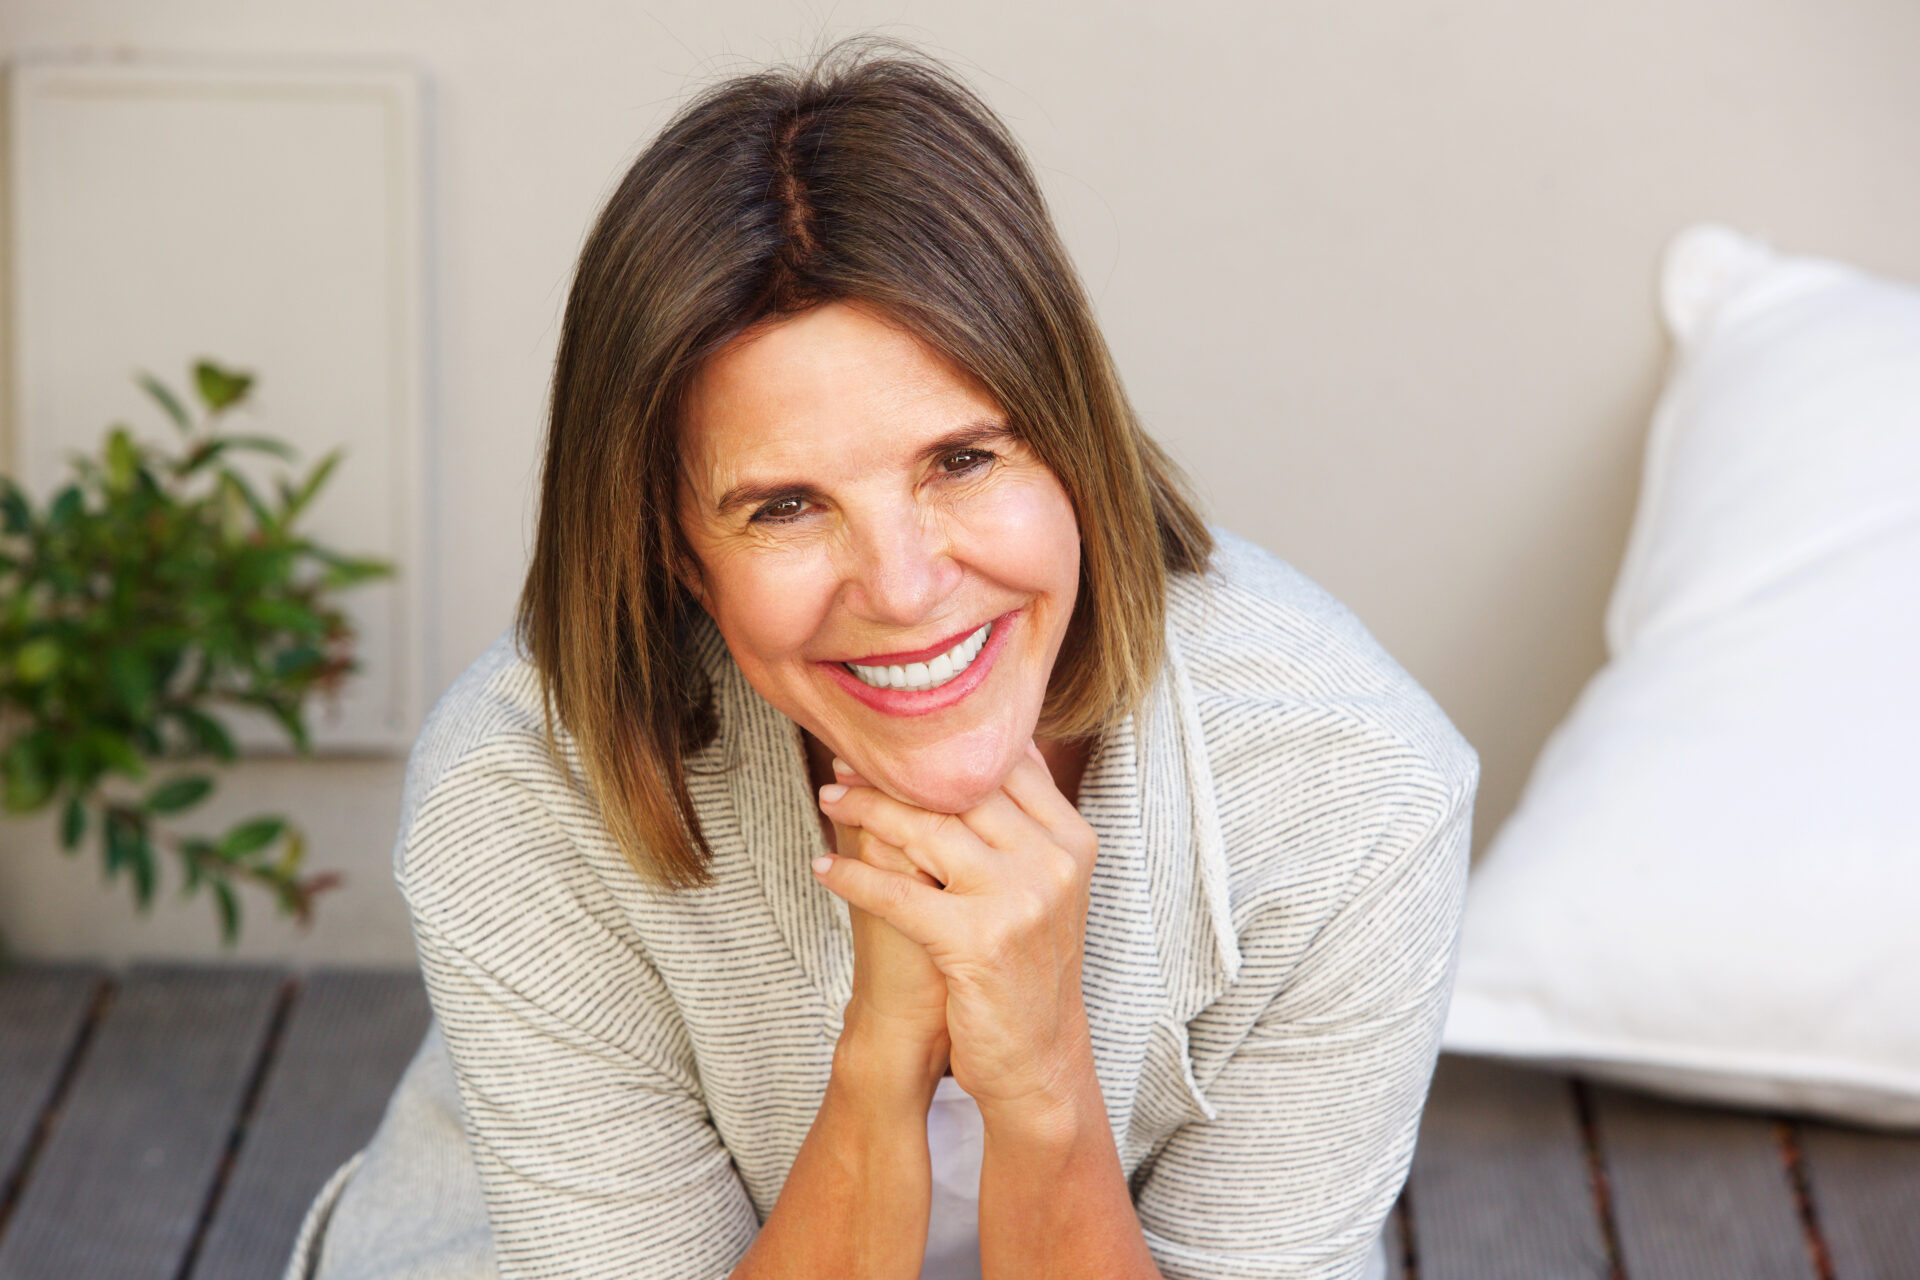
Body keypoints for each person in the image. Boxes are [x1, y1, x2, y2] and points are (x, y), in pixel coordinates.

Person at [285, 35, 1478, 1280]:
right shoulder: (523, 783)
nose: (905, 591)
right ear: (678, 554)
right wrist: (881, 1052)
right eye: (783, 507)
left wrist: (1042, 1079)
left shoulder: (1354, 787)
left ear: (1077, 449)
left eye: (964, 460)